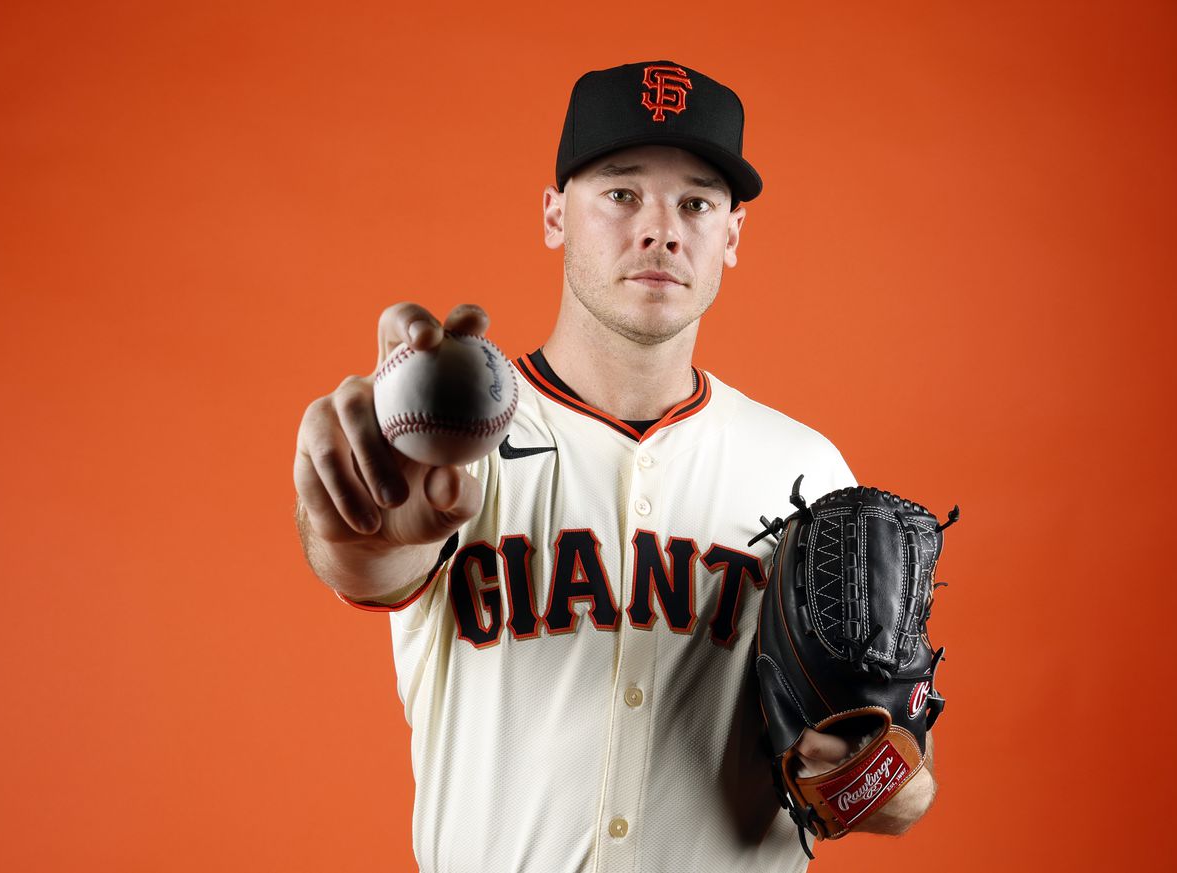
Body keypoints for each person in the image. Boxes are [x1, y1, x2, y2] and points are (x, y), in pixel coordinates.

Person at [294, 60, 936, 872]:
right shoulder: (454, 443)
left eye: (696, 202)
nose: (661, 228)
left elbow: (903, 794)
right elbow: (367, 555)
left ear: (731, 235)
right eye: (622, 193)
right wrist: (356, 515)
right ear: (555, 214)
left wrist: (854, 768)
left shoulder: (805, 469)